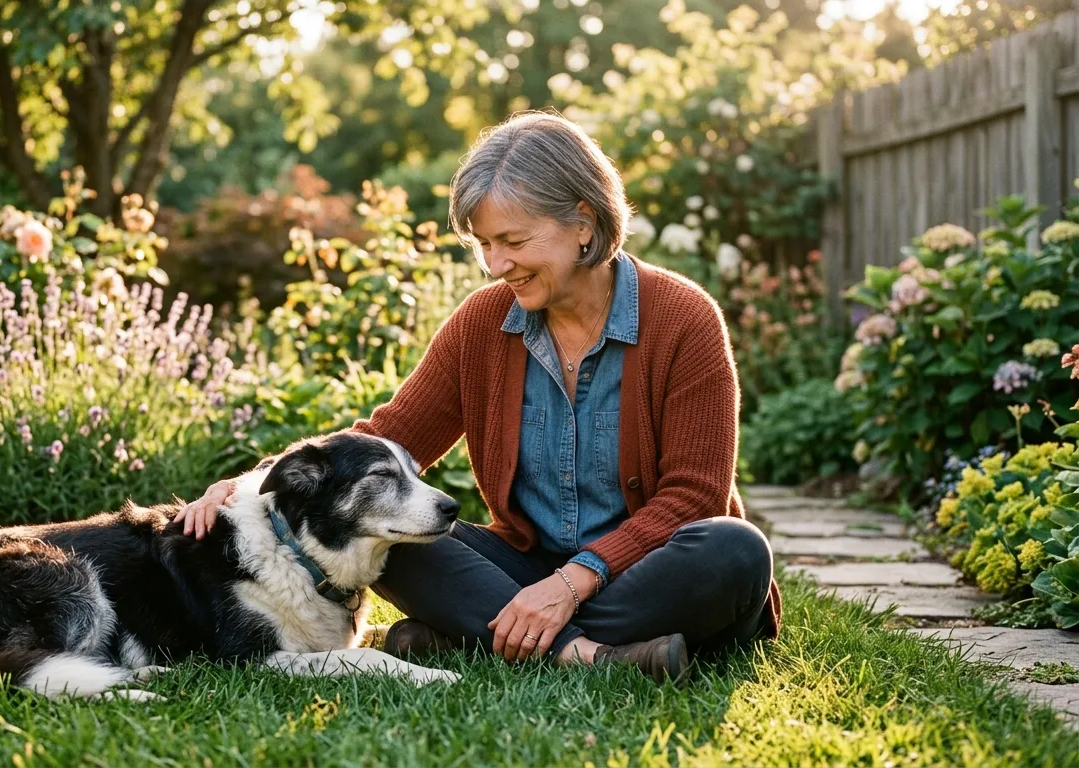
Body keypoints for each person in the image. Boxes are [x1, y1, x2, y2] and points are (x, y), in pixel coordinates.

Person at [175, 111, 778, 684]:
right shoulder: (482, 324)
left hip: (645, 568)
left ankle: (477, 632)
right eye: (484, 244)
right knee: (391, 531)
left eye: (512, 240)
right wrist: (251, 483)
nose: (495, 265)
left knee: (734, 549)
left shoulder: (684, 318)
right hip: (524, 567)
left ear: (584, 222)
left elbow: (694, 497)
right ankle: (587, 655)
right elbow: (386, 438)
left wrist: (572, 582)